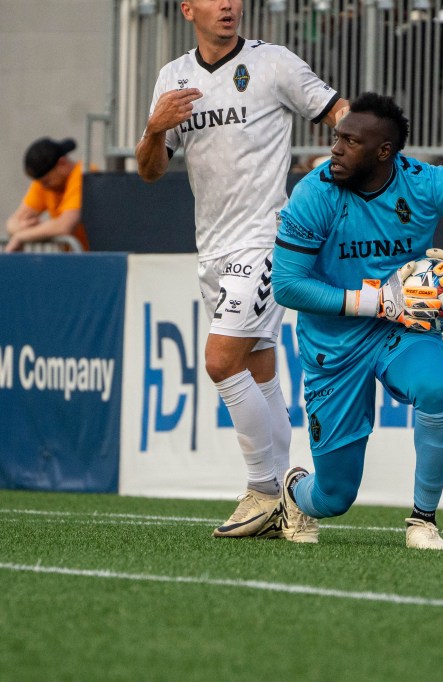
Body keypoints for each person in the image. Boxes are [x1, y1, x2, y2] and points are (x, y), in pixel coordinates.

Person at [272, 92, 443, 548]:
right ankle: (294, 492)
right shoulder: (313, 193)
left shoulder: (425, 184)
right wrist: (379, 301)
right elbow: (287, 286)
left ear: (384, 152)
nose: (335, 149)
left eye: (350, 142)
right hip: (334, 343)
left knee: (436, 390)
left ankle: (423, 521)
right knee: (334, 497)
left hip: (402, 328)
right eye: (337, 138)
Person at [134, 0, 349, 542]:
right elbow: (150, 172)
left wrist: (363, 153)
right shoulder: (174, 77)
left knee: (218, 361)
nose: (229, 4)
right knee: (257, 373)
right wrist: (154, 130)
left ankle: (263, 490)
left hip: (266, 239)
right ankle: (293, 497)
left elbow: (338, 112)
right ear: (188, 9)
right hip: (213, 248)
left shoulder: (275, 63)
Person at [5, 137, 90, 252]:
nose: (43, 187)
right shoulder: (43, 184)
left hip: (98, 259)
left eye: (47, 181)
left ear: (62, 163)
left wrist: (21, 236)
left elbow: (64, 226)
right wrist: (24, 228)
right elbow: (12, 222)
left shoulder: (84, 176)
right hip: (73, 259)